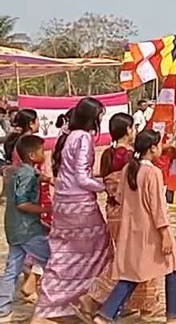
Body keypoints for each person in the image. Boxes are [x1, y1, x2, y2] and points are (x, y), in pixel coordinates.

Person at [88, 130, 176, 324]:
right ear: (152, 148)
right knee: (173, 266)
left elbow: (120, 197)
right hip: (152, 232)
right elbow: (158, 207)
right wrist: (165, 233)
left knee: (132, 275)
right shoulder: (153, 173)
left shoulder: (128, 171)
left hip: (132, 230)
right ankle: (174, 313)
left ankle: (106, 314)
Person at [32, 97, 112, 322]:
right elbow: (82, 177)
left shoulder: (66, 135)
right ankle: (87, 299)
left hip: (63, 203)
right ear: (91, 117)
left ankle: (51, 306)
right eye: (99, 116)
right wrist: (107, 186)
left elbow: (67, 174)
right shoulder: (84, 138)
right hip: (80, 206)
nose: (100, 120)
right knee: (100, 251)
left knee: (64, 255)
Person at [78, 114, 158, 320]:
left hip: (112, 212)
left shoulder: (107, 154)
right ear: (128, 130)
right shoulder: (130, 157)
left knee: (128, 258)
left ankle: (136, 304)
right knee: (136, 259)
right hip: (129, 214)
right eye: (132, 128)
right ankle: (95, 297)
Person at [0, 135, 50, 324]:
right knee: (53, 263)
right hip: (27, 229)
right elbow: (23, 204)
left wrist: (43, 178)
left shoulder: (19, 171)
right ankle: (52, 304)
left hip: (14, 227)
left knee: (12, 269)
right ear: (31, 154)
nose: (43, 154)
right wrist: (45, 209)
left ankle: (3, 310)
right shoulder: (28, 174)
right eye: (40, 151)